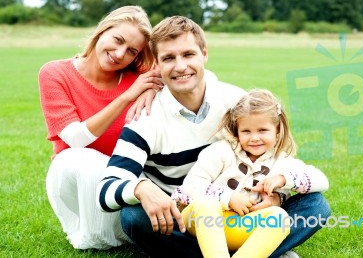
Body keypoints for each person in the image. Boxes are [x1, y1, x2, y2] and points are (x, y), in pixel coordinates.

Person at [96, 16, 331, 258]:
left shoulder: (234, 100)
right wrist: (142, 188)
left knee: (315, 205)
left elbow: (270, 159)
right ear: (156, 64)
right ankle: (261, 251)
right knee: (133, 217)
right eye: (168, 58)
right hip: (184, 218)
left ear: (204, 54)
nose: (179, 66)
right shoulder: (145, 118)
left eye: (188, 54)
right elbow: (105, 190)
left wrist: (276, 196)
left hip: (244, 211)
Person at [38, 6, 164, 250]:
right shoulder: (55, 73)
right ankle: (98, 231)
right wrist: (127, 96)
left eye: (131, 51)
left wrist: (151, 86)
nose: (119, 54)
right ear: (102, 30)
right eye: (117, 40)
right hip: (76, 182)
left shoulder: (140, 77)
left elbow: (193, 72)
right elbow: (75, 138)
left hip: (122, 183)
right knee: (77, 157)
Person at [171, 89, 330, 257]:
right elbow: (192, 185)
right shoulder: (221, 152)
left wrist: (282, 180)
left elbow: (322, 180)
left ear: (277, 130)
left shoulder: (282, 161)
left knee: (279, 216)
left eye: (262, 130)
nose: (254, 138)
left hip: (242, 227)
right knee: (207, 204)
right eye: (246, 131)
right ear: (236, 130)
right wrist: (229, 198)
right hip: (204, 223)